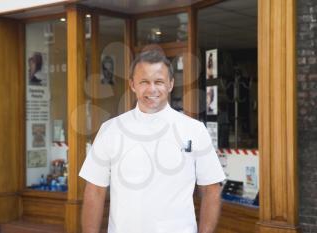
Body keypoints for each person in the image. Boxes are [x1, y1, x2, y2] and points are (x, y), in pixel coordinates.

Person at [79, 49, 225, 233]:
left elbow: (211, 190)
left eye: (159, 82)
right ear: (132, 84)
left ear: (171, 84)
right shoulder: (110, 130)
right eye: (144, 82)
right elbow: (95, 190)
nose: (152, 89)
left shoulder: (194, 130)